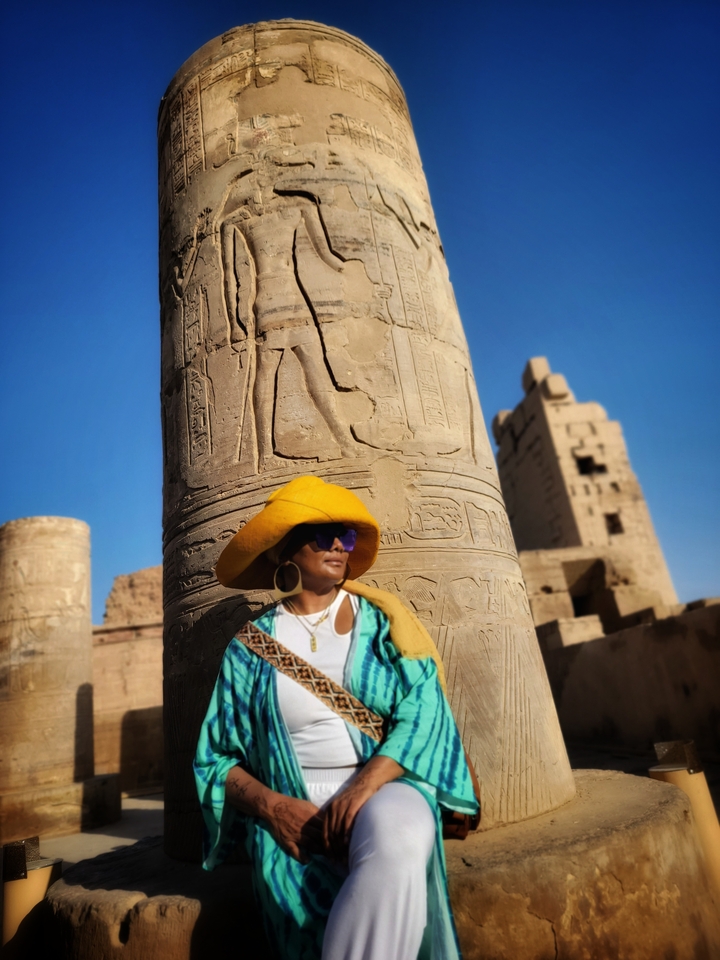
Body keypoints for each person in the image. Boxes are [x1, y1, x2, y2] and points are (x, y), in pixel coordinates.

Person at [194, 475, 478, 960]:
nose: (338, 546)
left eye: (345, 536)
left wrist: (365, 787)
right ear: (282, 549)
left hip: (384, 787)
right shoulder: (248, 649)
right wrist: (273, 809)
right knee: (299, 908)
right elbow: (216, 761)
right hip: (294, 809)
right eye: (321, 534)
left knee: (401, 837)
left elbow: (425, 713)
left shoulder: (387, 623)